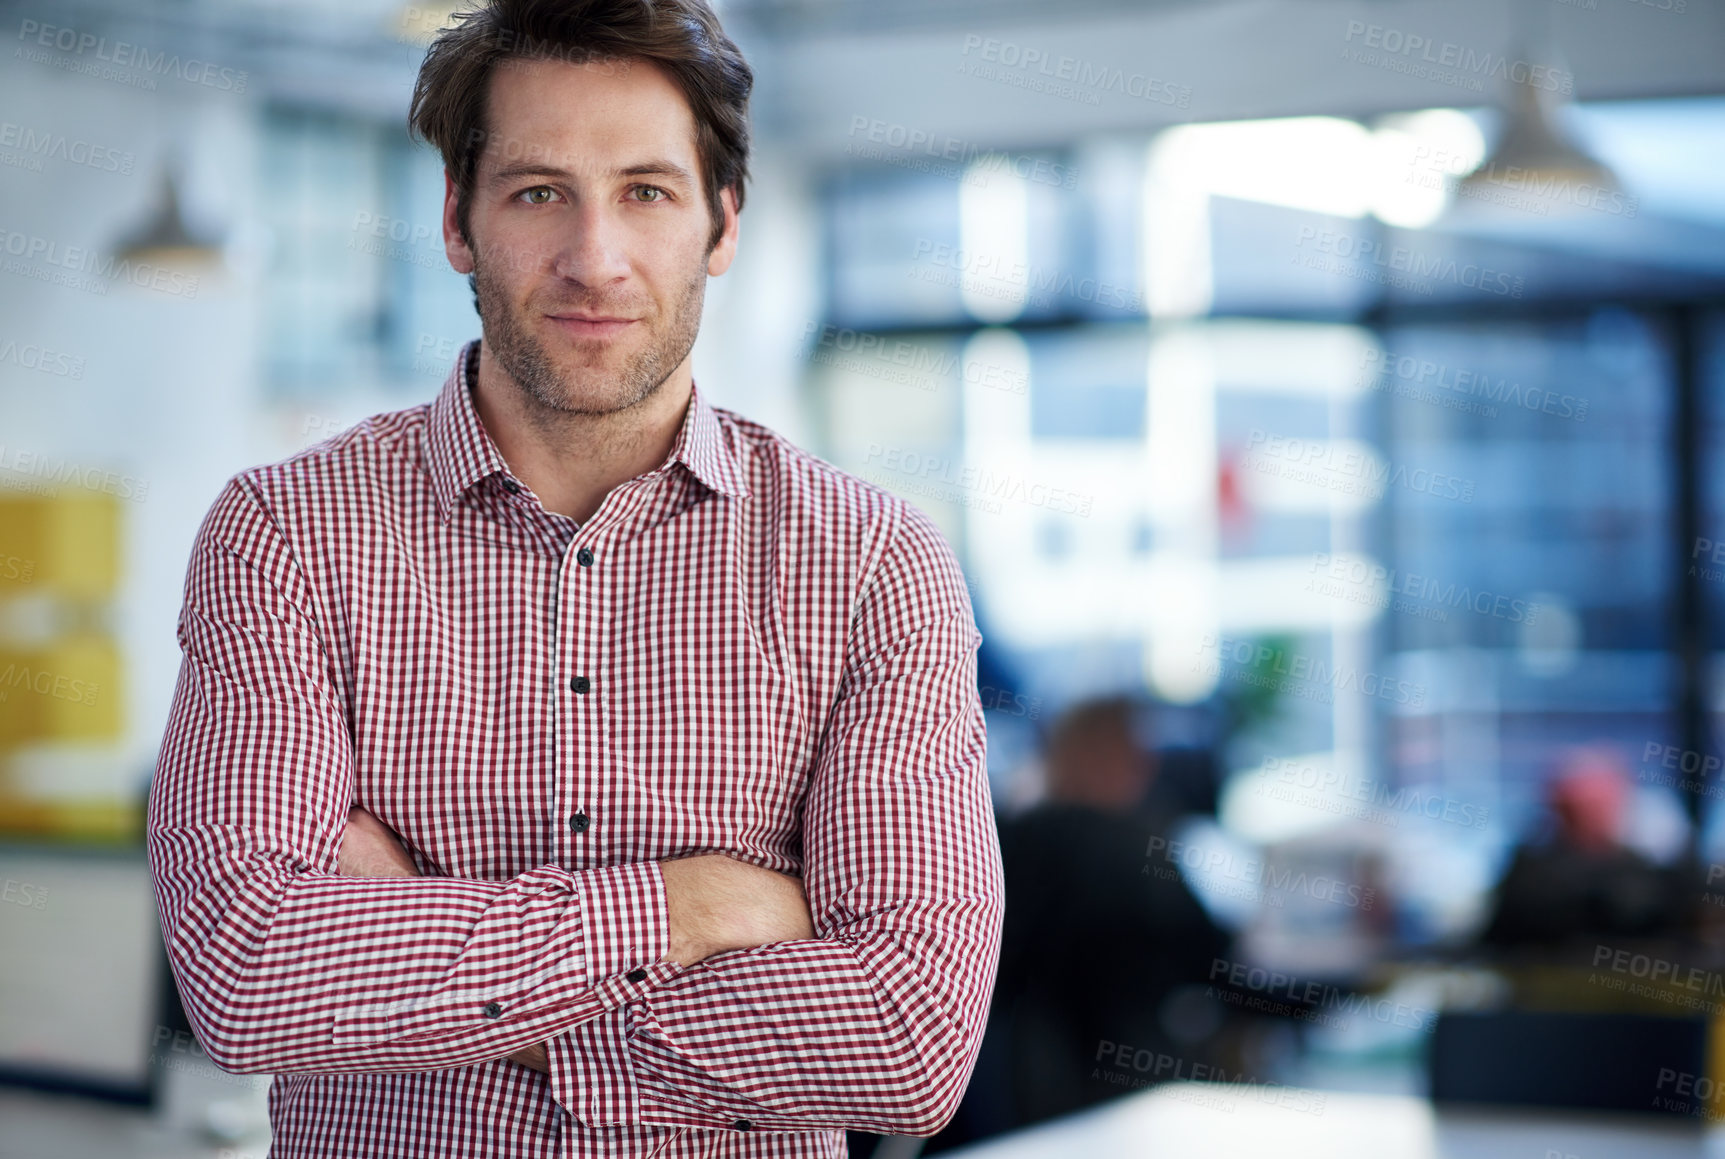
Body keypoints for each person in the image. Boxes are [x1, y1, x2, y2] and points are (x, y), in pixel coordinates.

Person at [144, 3, 1004, 1156]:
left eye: (646, 191)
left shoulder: (871, 565)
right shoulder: (287, 536)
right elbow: (247, 976)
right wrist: (684, 907)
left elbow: (909, 1041)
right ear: (458, 218)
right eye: (539, 191)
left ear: (722, 223)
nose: (594, 258)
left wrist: (434, 962)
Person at [932, 695, 1230, 1146]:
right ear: (1114, 756)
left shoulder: (997, 839)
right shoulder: (1132, 846)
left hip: (1012, 1088)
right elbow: (1210, 957)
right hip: (1133, 1087)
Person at [1482, 745, 1698, 948]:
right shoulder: (1530, 875)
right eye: (1586, 807)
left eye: (1603, 805)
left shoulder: (1641, 868)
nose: (1597, 816)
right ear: (1559, 809)